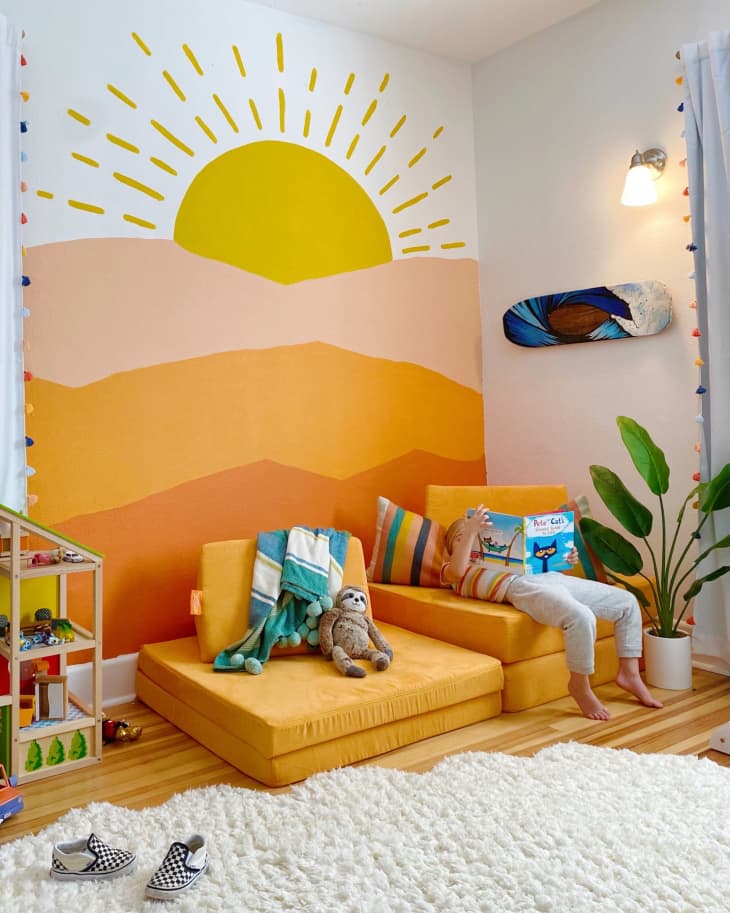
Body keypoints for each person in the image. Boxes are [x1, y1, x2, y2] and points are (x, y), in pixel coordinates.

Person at [442, 504, 663, 720]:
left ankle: (629, 673)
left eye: (477, 536)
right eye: (460, 538)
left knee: (627, 602)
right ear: (450, 550)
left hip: (549, 577)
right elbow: (456, 571)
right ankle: (580, 686)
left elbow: (548, 567)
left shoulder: (506, 557)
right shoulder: (453, 570)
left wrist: (564, 558)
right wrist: (470, 531)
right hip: (521, 586)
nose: (470, 539)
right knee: (581, 617)